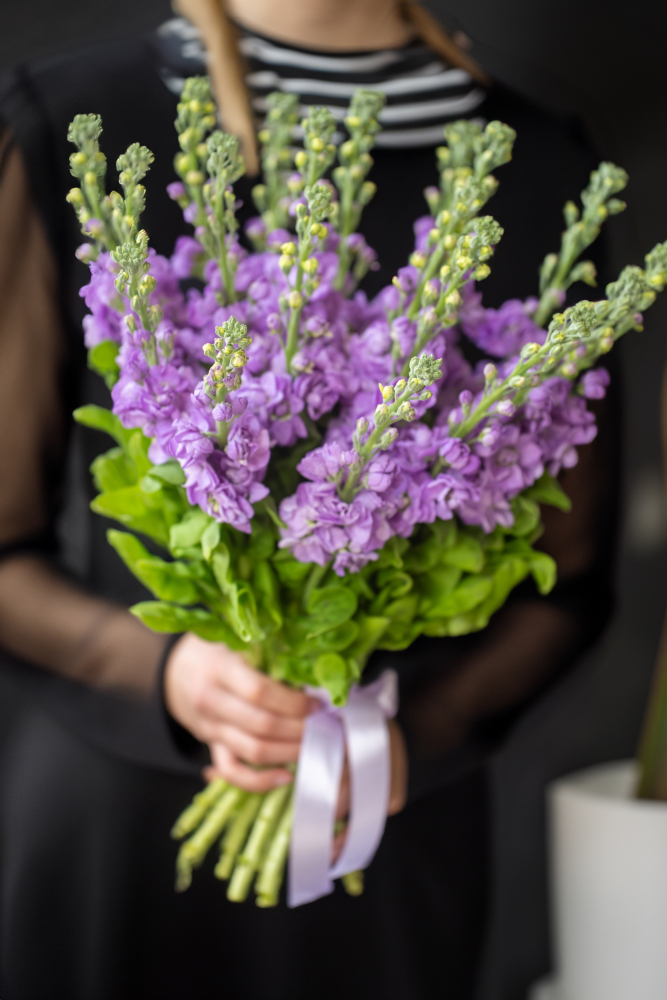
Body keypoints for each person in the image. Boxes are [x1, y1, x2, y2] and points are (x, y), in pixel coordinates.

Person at [0, 2, 617, 997]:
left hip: (383, 843)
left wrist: (400, 733)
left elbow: (571, 583)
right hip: (110, 851)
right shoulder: (72, 117)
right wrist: (169, 672)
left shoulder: (542, 162)